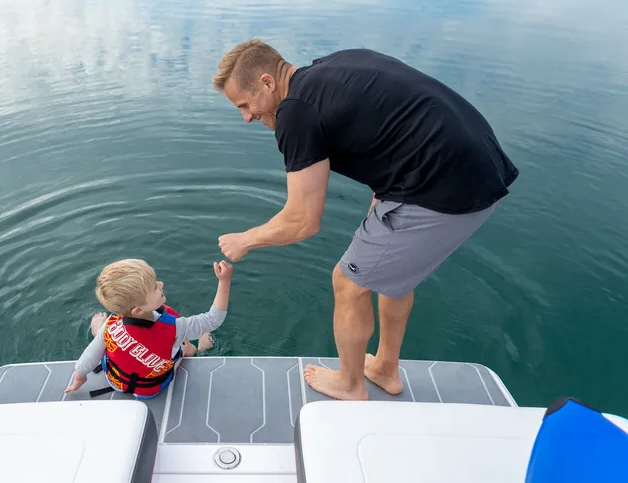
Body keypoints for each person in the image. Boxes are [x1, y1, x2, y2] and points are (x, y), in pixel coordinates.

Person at [212, 39, 518, 401]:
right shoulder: (332, 65)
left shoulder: (295, 113)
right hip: (479, 164)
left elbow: (302, 221)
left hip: (445, 184)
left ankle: (350, 384)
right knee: (392, 274)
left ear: (267, 82)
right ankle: (385, 369)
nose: (246, 117)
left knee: (348, 283)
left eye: (245, 105)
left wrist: (245, 240)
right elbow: (393, 128)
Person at [65, 258, 233, 398]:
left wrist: (79, 377)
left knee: (103, 339)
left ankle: (97, 331)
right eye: (155, 287)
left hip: (115, 381)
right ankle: (199, 348)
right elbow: (213, 319)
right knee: (187, 347)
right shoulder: (176, 328)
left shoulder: (112, 323)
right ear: (138, 310)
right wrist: (224, 281)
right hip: (149, 390)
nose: (161, 284)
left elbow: (90, 355)